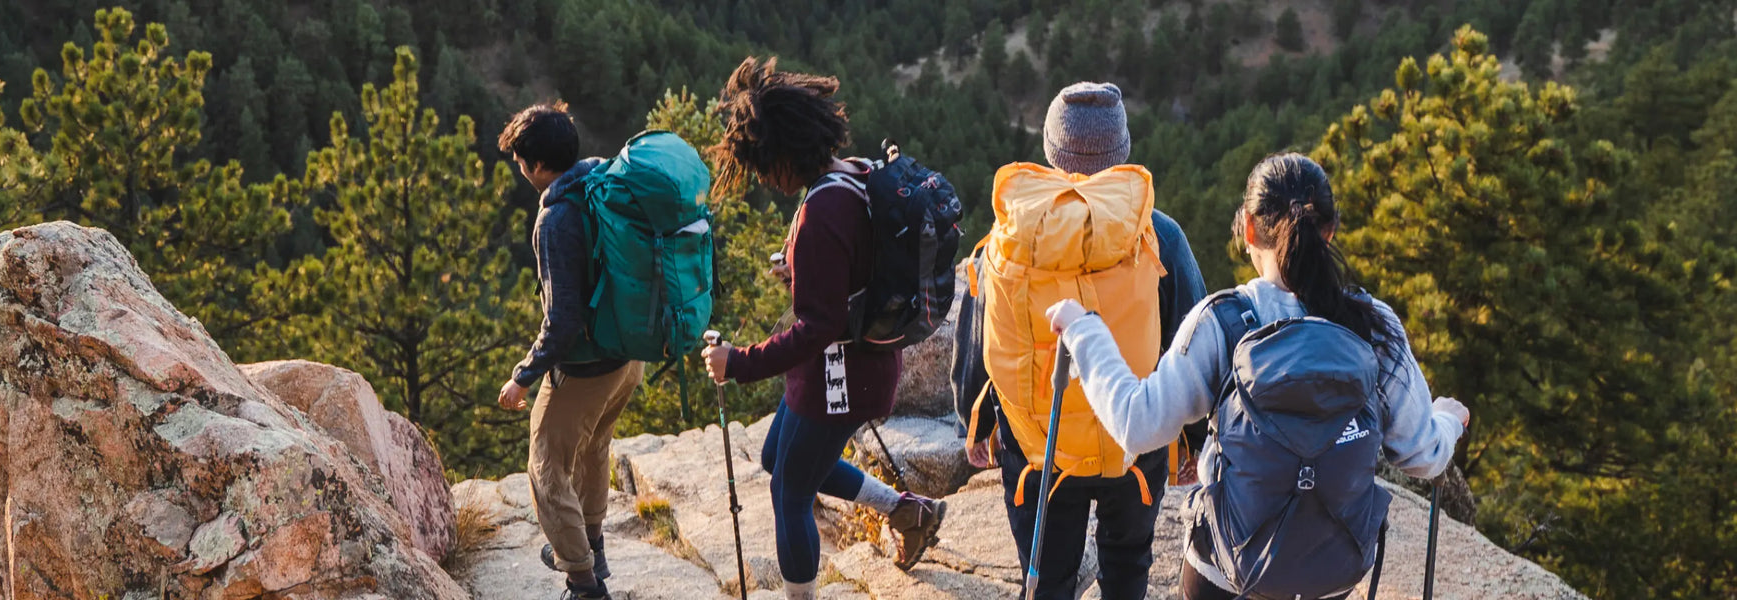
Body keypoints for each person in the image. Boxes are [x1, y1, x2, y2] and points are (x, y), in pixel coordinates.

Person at [1044, 153, 1472, 600]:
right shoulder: (1373, 325)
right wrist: (1443, 417)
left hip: (1225, 571)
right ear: (1330, 230)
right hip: (1330, 574)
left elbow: (1136, 424)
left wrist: (1084, 329)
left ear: (1248, 229)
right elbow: (1424, 455)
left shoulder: (1223, 322)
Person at [699, 57, 946, 600]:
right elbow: (853, 264)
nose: (764, 179)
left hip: (839, 377)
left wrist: (738, 362)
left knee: (789, 493)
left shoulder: (820, 211)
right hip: (849, 367)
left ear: (783, 153)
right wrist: (800, 268)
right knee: (774, 459)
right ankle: (909, 511)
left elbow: (819, 327)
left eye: (763, 166)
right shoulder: (852, 171)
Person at [950, 81, 1208, 600]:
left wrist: (973, 423)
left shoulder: (1013, 235)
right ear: (1123, 154)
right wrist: (1195, 443)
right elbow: (1193, 339)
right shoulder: (1158, 234)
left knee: (1046, 572)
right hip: (1134, 440)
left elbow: (981, 338)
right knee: (1127, 564)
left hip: (1038, 445)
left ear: (1049, 150)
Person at [494, 102, 639, 600]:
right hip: (628, 357)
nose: (519, 169)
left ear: (536, 165)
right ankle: (591, 546)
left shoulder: (555, 219)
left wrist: (523, 375)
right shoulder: (599, 180)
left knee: (545, 467)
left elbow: (561, 323)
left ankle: (582, 582)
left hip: (587, 366)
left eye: (519, 161)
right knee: (595, 447)